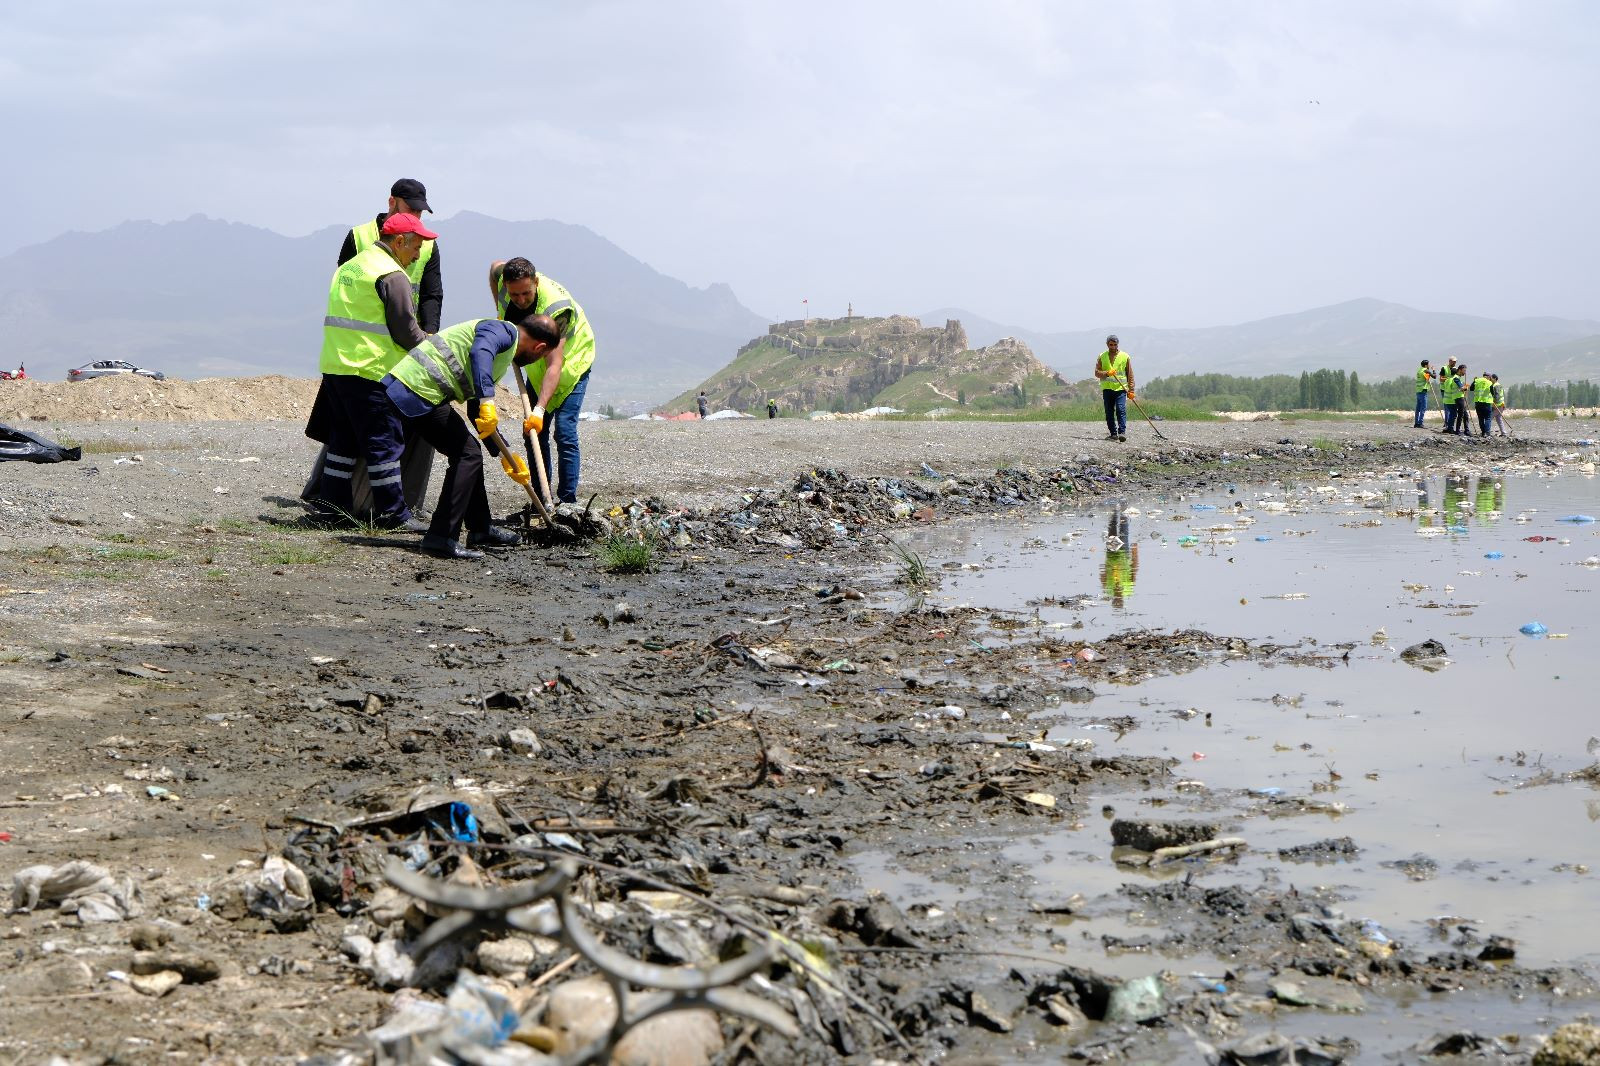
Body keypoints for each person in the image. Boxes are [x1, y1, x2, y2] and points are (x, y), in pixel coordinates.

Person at [304, 179, 443, 520]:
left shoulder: (350, 269)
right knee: (384, 442)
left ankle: (331, 509)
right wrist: (434, 352)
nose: (416, 254)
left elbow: (429, 295)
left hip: (337, 366)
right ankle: (393, 514)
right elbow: (405, 330)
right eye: (414, 247)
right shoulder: (390, 274)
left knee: (343, 442)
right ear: (398, 240)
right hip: (372, 368)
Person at [381, 315, 563, 558]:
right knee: (467, 454)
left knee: (469, 452)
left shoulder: (502, 353)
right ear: (540, 348)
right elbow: (480, 352)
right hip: (415, 389)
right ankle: (441, 537)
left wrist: (505, 454)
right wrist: (489, 401)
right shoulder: (502, 332)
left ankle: (480, 529)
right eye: (540, 356)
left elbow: (476, 411)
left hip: (418, 391)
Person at [488, 257, 596, 504]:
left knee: (565, 433)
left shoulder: (557, 310)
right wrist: (500, 309)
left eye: (526, 293)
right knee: (533, 434)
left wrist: (539, 409)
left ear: (535, 282)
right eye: (514, 295)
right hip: (538, 365)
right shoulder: (504, 279)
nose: (521, 300)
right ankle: (543, 500)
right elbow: (494, 267)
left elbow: (555, 365)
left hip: (571, 364)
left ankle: (567, 502)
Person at [1093, 334, 1133, 442]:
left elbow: (1130, 374)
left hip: (1120, 389)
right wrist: (1106, 373)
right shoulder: (1102, 356)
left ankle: (1122, 432)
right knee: (1109, 412)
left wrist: (1131, 390)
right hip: (1107, 389)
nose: (1113, 347)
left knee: (1121, 409)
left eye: (1115, 344)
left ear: (1117, 344)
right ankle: (1113, 434)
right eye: (1111, 344)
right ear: (1107, 344)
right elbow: (1096, 373)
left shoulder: (1125, 356)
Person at [1100, 506, 1139, 608]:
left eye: (1116, 598)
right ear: (1121, 599)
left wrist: (1102, 569)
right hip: (1124, 553)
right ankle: (1123, 509)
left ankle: (1115, 510)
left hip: (1112, 554)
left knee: (1113, 530)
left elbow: (1103, 578)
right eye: (1119, 599)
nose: (1118, 596)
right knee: (1123, 530)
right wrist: (1135, 552)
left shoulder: (1108, 590)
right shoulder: (1128, 590)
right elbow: (1134, 569)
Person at [1471, 369, 1495, 436]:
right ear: (1488, 377)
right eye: (1490, 377)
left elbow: (1471, 388)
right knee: (1487, 418)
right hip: (1487, 403)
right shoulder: (1489, 383)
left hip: (1478, 403)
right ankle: (1487, 433)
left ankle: (1483, 432)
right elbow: (1493, 393)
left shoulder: (1477, 380)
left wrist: (1474, 381)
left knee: (1481, 418)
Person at [1452, 363, 1471, 435]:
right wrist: (1466, 387)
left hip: (1460, 397)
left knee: (1465, 414)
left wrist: (1465, 388)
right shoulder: (1456, 378)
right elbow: (1461, 388)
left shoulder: (1458, 378)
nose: (1465, 372)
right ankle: (1457, 430)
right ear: (1460, 370)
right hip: (1458, 398)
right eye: (1464, 370)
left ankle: (1466, 430)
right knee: (1461, 414)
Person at [1413, 359, 1433, 428]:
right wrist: (1433, 370)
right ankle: (1420, 423)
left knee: (1418, 408)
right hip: (1423, 391)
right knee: (1423, 407)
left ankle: (1416, 423)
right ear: (1426, 365)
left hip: (1418, 390)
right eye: (1428, 364)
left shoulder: (1419, 370)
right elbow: (1434, 376)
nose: (1429, 365)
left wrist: (1428, 377)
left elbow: (1426, 378)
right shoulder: (1425, 370)